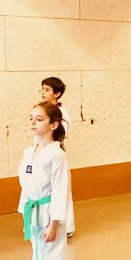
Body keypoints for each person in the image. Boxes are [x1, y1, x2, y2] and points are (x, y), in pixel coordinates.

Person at [18, 101, 71, 260]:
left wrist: (54, 222)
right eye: (31, 118)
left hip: (50, 213)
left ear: (53, 125)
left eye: (39, 119)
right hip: (33, 211)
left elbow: (60, 189)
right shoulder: (29, 152)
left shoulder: (57, 154)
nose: (33, 122)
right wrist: (24, 212)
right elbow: (26, 185)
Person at [40, 76, 75, 238]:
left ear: (57, 94)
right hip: (43, 155)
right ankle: (44, 223)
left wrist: (51, 149)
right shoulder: (42, 110)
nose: (43, 92)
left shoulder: (62, 113)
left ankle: (67, 227)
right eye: (42, 89)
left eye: (47, 90)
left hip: (56, 155)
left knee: (61, 190)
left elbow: (61, 136)